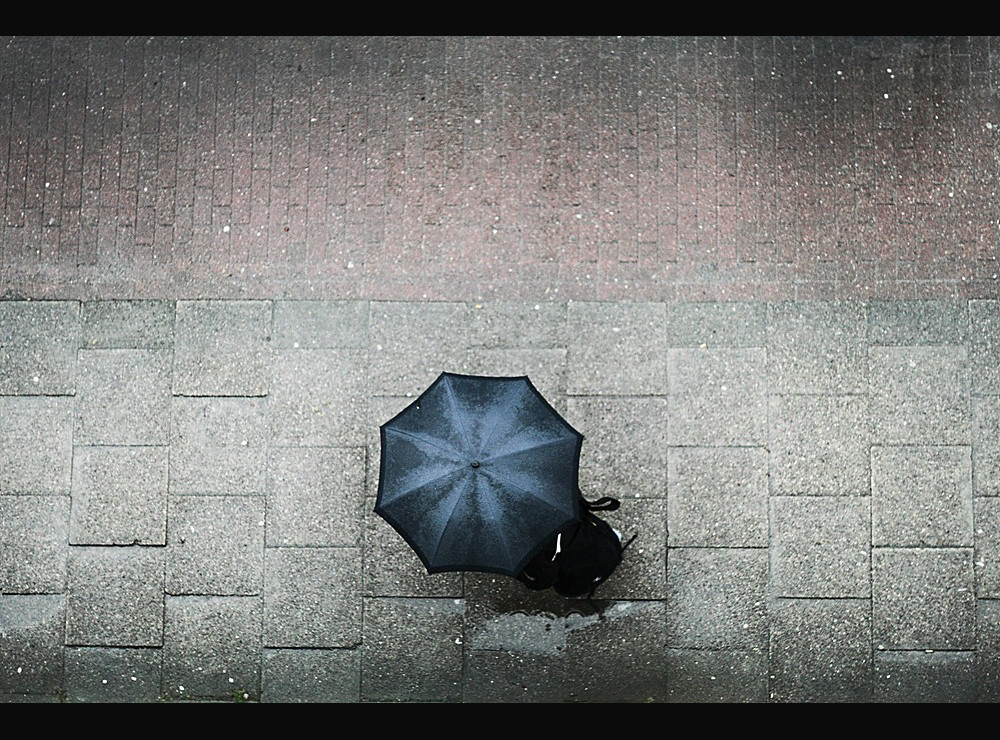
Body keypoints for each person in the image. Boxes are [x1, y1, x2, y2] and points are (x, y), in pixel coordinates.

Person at [517, 489, 636, 598]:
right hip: (606, 541)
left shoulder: (524, 539)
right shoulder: (551, 487)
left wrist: (520, 574)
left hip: (577, 579)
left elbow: (543, 580)